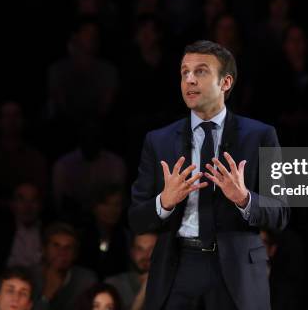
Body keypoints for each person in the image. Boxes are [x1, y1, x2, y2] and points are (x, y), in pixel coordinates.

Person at [129, 40, 289, 310]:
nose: (189, 79)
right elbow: (136, 218)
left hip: (235, 270)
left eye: (200, 71)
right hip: (177, 267)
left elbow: (281, 213)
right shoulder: (158, 141)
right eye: (184, 72)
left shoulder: (260, 136)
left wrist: (244, 199)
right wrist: (164, 202)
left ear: (226, 83)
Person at [30, 222, 97, 310]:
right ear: (44, 250)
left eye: (68, 248)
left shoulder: (87, 281)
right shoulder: (29, 277)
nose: (62, 252)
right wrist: (46, 296)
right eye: (56, 246)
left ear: (75, 254)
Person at [105, 233, 157, 310]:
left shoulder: (172, 285)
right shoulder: (114, 284)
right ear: (132, 253)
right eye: (140, 249)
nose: (146, 255)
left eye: (151, 249)